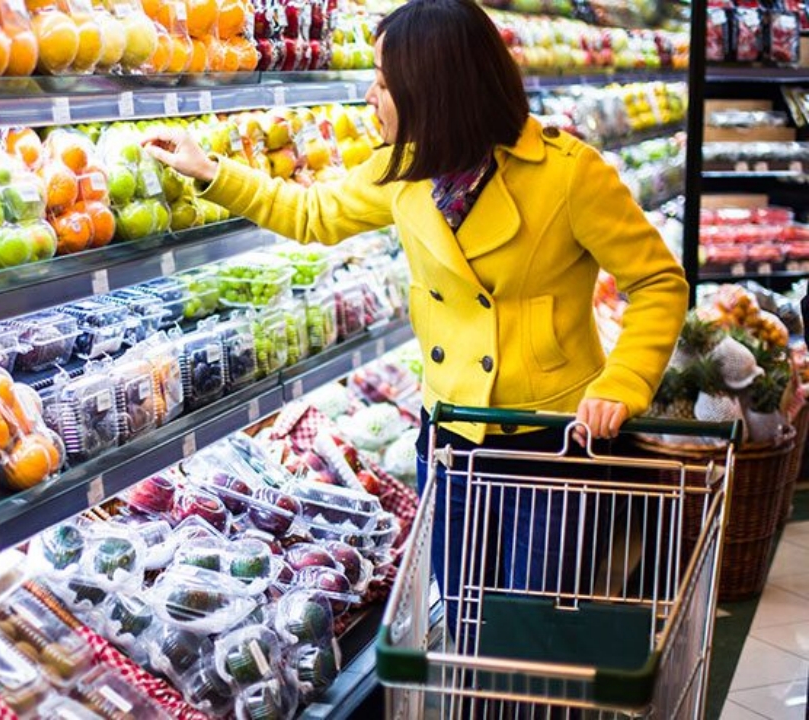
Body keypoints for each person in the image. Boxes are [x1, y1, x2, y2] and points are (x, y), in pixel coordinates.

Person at [144, 0, 687, 680]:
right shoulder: (406, 170)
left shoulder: (569, 175)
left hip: (549, 440)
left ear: (432, 85)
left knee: (524, 629)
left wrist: (623, 382)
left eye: (381, 79)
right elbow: (314, 213)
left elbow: (660, 281)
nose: (370, 96)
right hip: (452, 434)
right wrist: (213, 172)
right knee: (464, 619)